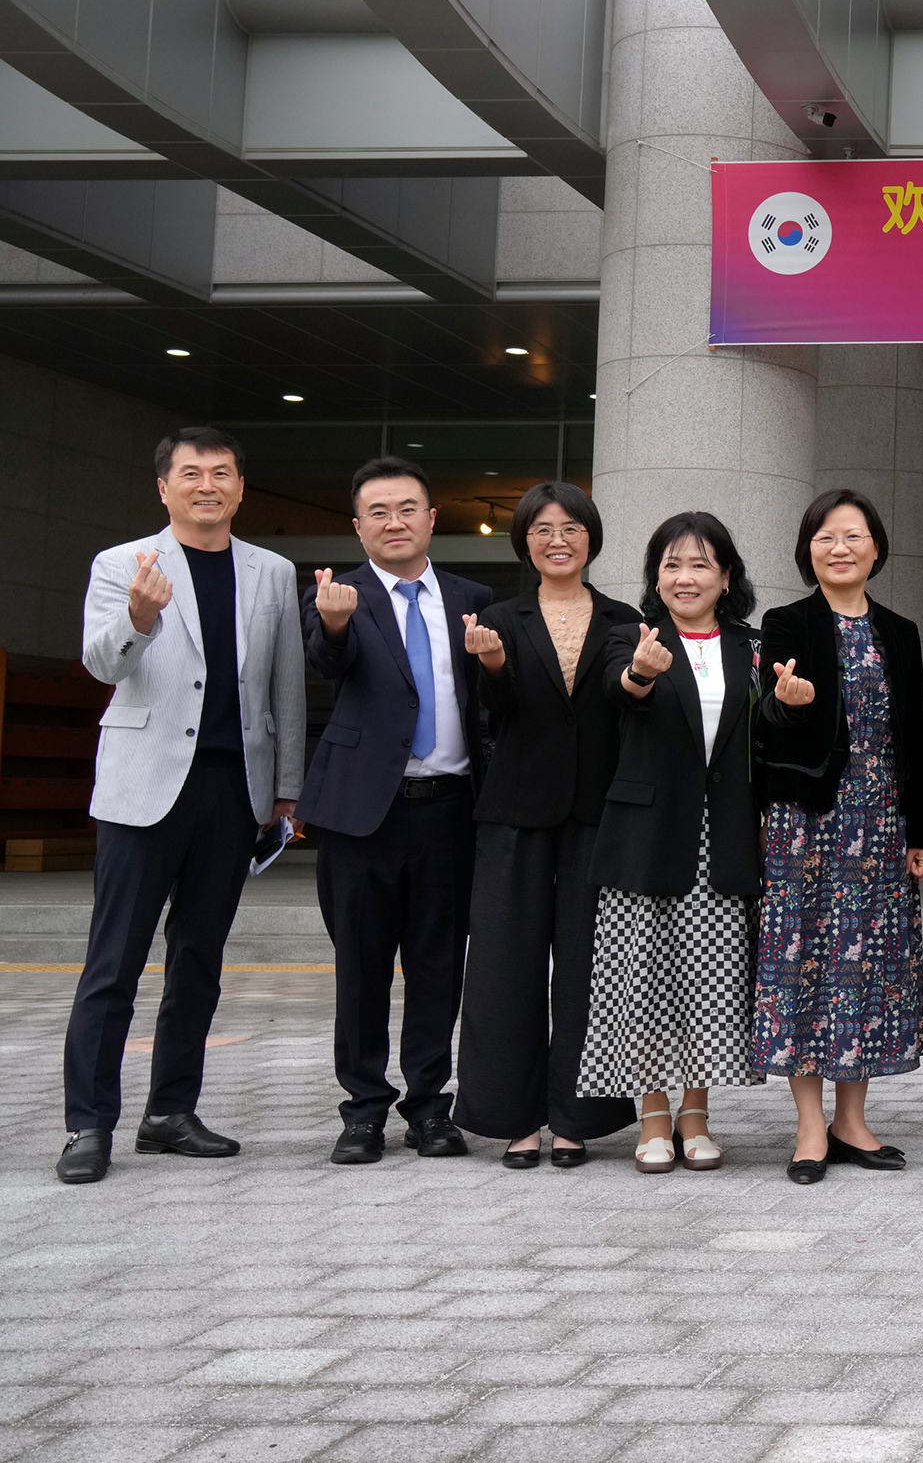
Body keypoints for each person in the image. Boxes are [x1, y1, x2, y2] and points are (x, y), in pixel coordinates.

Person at [57, 428, 305, 1185]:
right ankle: (87, 1124)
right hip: (144, 787)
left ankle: (170, 1111)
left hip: (233, 790)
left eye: (221, 473)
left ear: (239, 486)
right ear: (163, 487)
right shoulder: (123, 565)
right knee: (115, 963)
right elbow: (100, 662)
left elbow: (285, 686)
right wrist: (136, 614)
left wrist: (286, 788)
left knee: (198, 961)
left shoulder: (272, 571)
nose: (208, 484)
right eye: (191, 473)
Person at [301, 457, 494, 1166]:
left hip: (449, 811)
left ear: (432, 518)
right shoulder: (337, 594)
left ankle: (429, 1107)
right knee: (360, 967)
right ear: (358, 526)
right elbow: (327, 660)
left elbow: (487, 699)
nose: (394, 522)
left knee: (438, 965)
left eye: (407, 508)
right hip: (363, 816)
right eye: (378, 512)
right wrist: (334, 625)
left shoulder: (474, 596)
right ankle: (362, 1111)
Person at [450, 483, 640, 1170]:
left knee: (591, 968)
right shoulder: (498, 616)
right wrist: (493, 664)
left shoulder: (625, 618)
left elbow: (630, 705)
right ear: (523, 540)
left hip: (598, 813)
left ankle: (577, 1118)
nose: (557, 538)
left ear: (591, 537)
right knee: (505, 965)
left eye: (571, 527)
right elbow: (493, 714)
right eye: (541, 528)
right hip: (515, 813)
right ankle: (513, 1118)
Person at [582, 512, 778, 1173]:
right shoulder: (627, 636)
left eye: (699, 564)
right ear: (655, 577)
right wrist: (639, 671)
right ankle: (651, 1117)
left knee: (708, 978)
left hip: (722, 836)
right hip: (645, 833)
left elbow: (766, 740)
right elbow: (620, 692)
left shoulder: (752, 649)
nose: (684, 576)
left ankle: (695, 1115)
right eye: (670, 564)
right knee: (643, 979)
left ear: (726, 577)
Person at [756, 489, 923, 1185]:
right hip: (807, 821)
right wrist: (787, 704)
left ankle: (851, 1120)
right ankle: (808, 1126)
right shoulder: (787, 622)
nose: (840, 547)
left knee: (868, 968)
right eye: (826, 536)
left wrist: (921, 826)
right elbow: (771, 718)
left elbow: (914, 734)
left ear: (876, 548)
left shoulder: (897, 629)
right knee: (802, 964)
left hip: (883, 820)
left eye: (853, 535)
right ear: (808, 549)